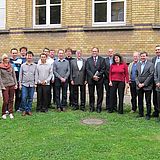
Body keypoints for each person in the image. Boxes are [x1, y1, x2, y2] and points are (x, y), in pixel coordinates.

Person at [135, 51, 154, 120]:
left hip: (147, 86)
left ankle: (148, 114)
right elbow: (136, 75)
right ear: (140, 57)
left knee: (148, 101)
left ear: (147, 57)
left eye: (144, 56)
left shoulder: (151, 64)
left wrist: (144, 84)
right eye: (141, 56)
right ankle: (140, 113)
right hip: (139, 86)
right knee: (140, 100)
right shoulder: (138, 64)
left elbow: (151, 75)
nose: (143, 57)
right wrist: (138, 83)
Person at [86, 47, 105, 113]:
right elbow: (87, 69)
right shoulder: (88, 60)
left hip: (99, 79)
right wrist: (93, 76)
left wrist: (97, 76)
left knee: (100, 94)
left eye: (95, 51)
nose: (94, 52)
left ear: (98, 52)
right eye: (93, 51)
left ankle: (99, 107)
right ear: (92, 52)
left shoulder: (102, 59)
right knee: (91, 94)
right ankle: (91, 107)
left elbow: (103, 69)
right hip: (91, 79)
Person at [19, 51, 37, 116]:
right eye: (28, 56)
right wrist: (20, 84)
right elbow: (20, 75)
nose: (29, 57)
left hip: (32, 84)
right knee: (24, 97)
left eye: (30, 56)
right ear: (26, 57)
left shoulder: (35, 65)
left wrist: (35, 83)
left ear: (32, 57)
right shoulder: (22, 65)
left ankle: (28, 110)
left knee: (30, 98)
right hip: (24, 84)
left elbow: (36, 75)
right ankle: (24, 109)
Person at [0, 54, 17, 119]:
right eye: (5, 58)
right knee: (6, 100)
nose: (7, 59)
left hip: (12, 84)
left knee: (11, 99)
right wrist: (2, 86)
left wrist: (16, 84)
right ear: (3, 59)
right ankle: (3, 113)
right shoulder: (0, 66)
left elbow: (14, 75)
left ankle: (11, 112)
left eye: (7, 58)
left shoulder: (11, 66)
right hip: (5, 85)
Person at [152, 45, 160, 118]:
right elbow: (153, 71)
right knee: (155, 97)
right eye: (156, 50)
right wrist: (156, 81)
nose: (157, 51)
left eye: (158, 50)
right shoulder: (153, 59)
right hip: (154, 81)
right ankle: (156, 111)